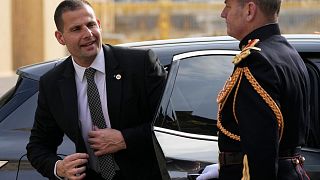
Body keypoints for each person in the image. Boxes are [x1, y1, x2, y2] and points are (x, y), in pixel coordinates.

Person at [26, 0, 166, 180]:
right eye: (76, 29)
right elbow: (38, 145)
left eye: (91, 25)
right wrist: (58, 168)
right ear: (60, 38)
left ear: (99, 25)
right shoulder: (52, 83)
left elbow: (172, 123)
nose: (88, 34)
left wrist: (125, 139)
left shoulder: (140, 64)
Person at [197, 0, 310, 179]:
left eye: (228, 6)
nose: (223, 14)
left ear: (250, 10)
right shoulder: (287, 52)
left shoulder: (256, 61)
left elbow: (261, 151)